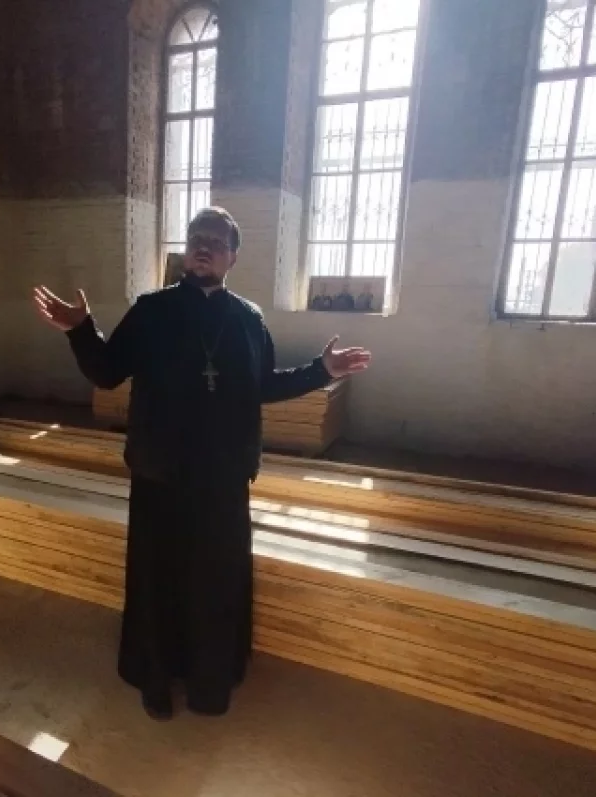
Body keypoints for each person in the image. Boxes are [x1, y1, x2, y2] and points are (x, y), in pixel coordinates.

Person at [33, 207, 371, 719]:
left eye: (215, 240)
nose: (203, 245)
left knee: (215, 581)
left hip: (223, 476)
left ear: (233, 256)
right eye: (195, 237)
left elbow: (264, 385)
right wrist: (80, 331)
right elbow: (107, 372)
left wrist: (320, 370)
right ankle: (155, 679)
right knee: (158, 578)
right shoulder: (151, 310)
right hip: (160, 471)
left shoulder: (248, 318)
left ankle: (210, 679)